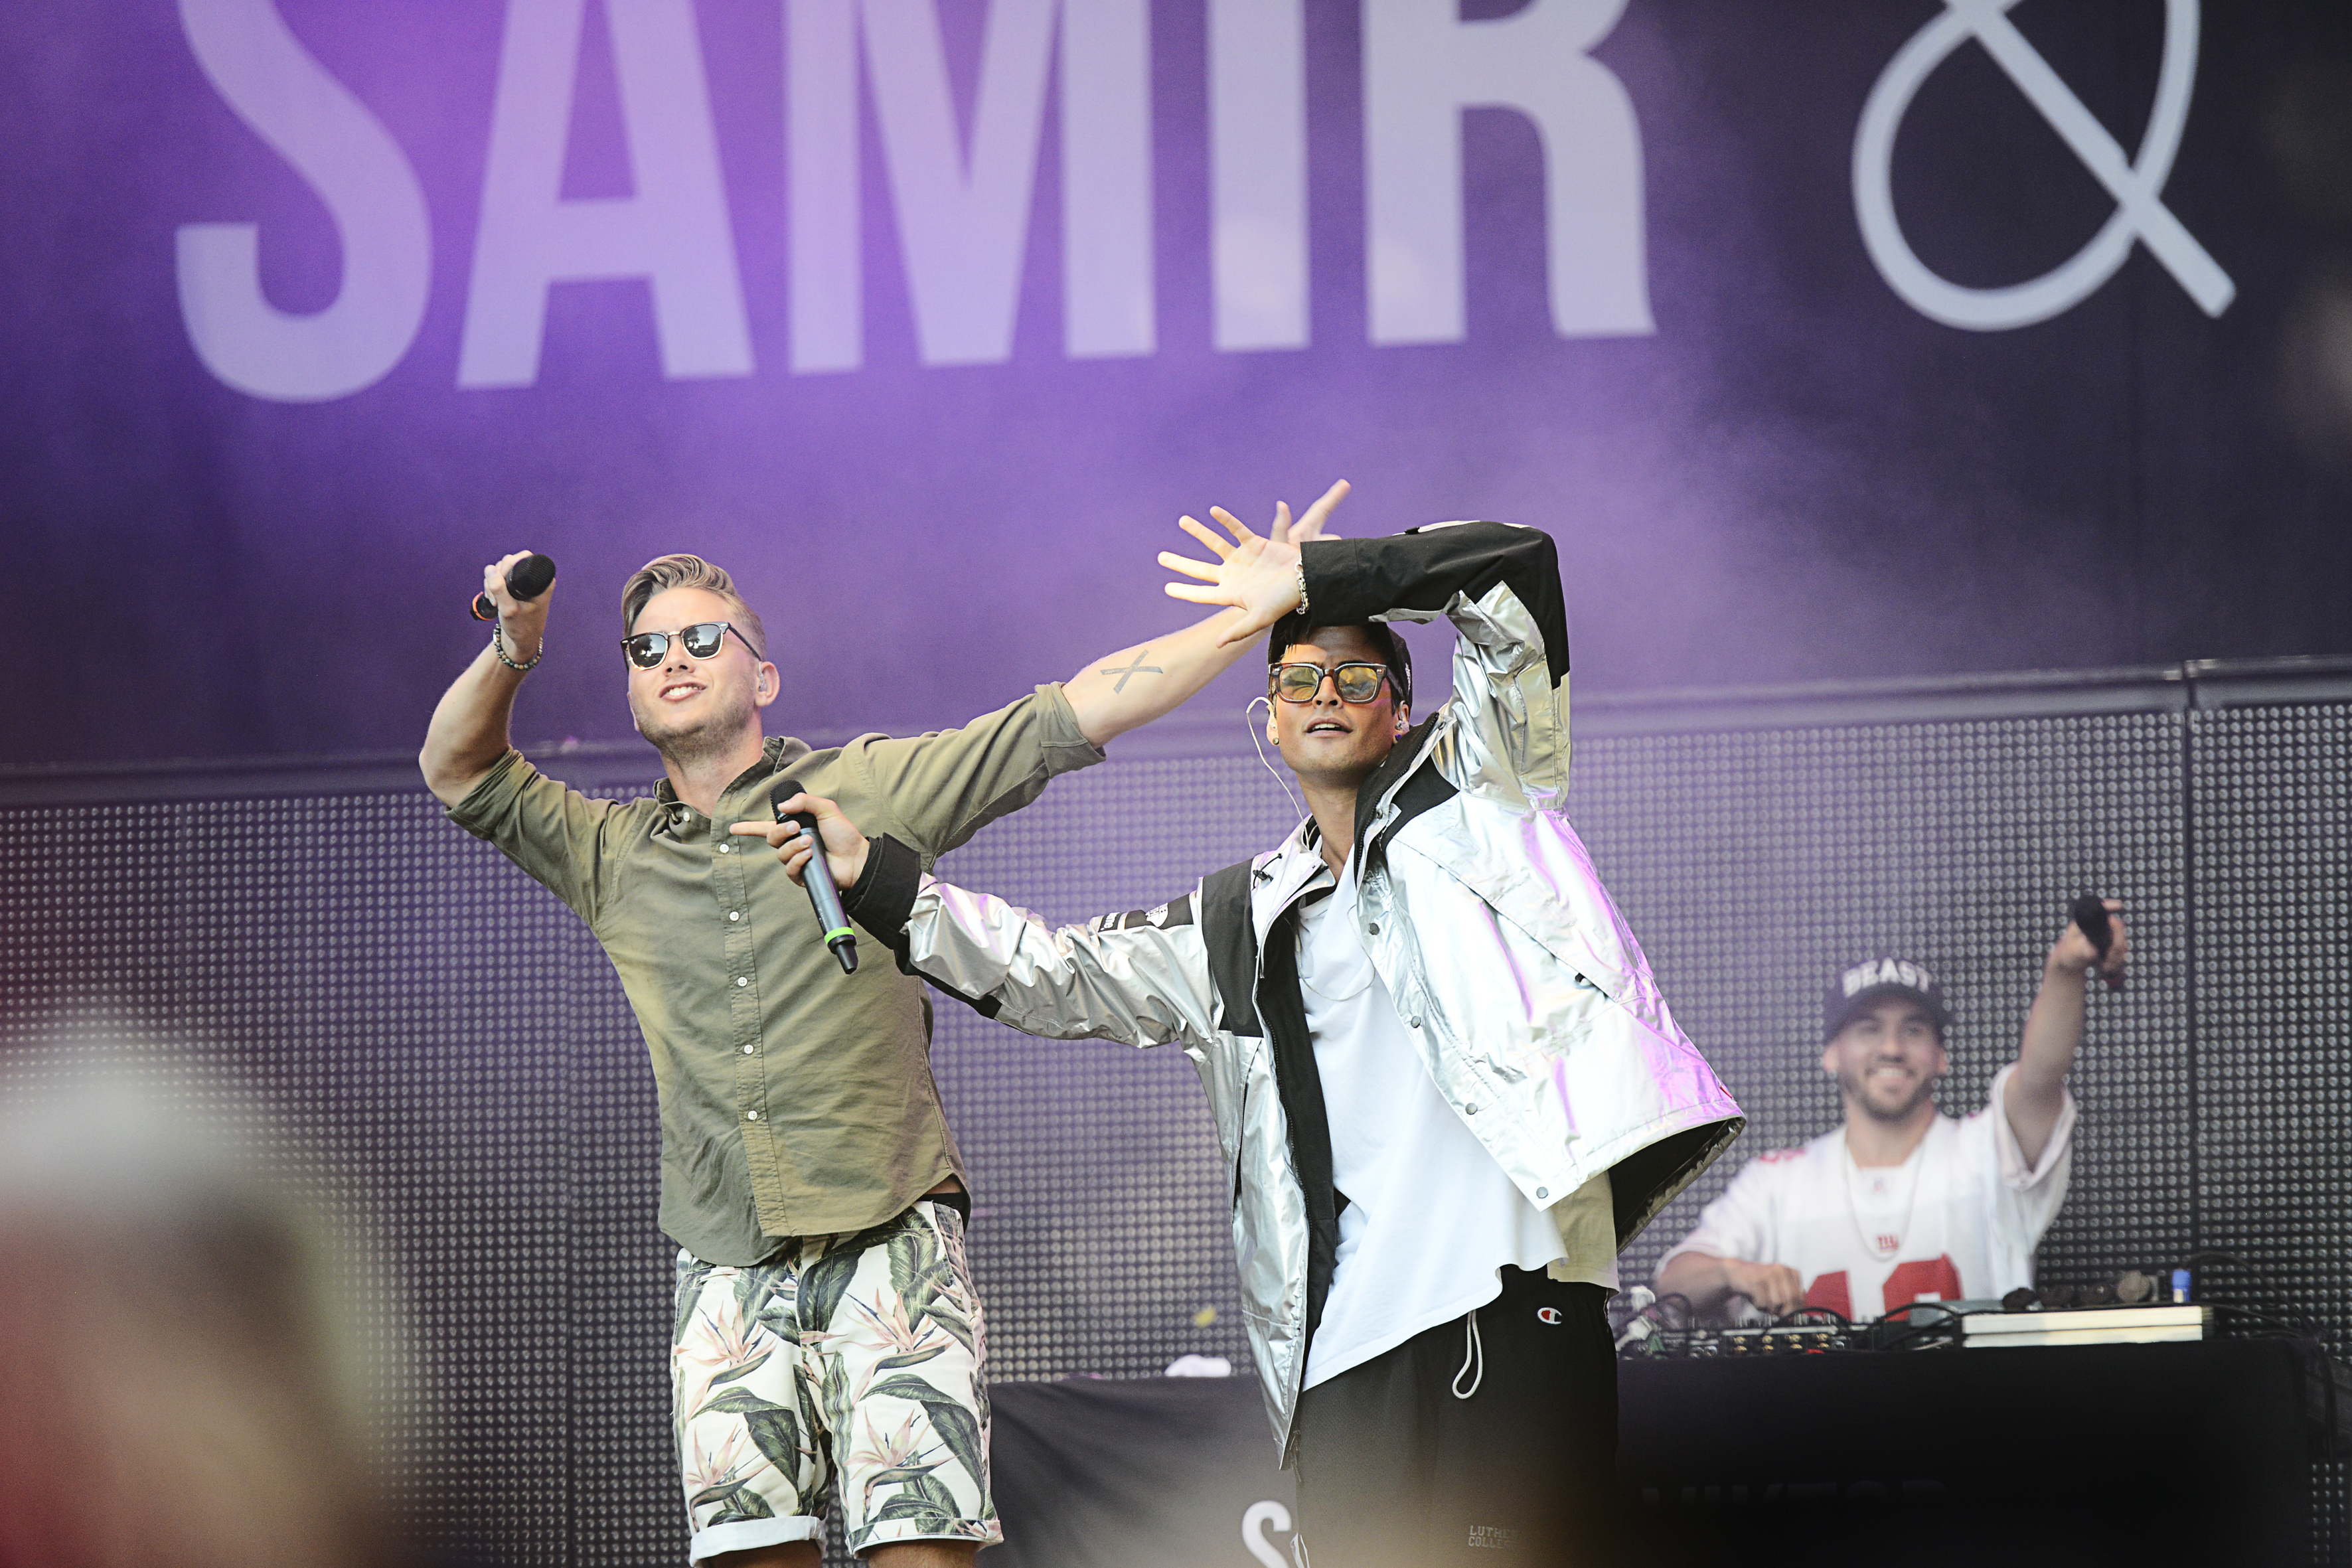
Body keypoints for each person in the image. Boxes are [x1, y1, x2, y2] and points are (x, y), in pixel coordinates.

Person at [771, 512, 1745, 1568]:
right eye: (1297, 680)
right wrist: (876, 875)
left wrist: (1311, 577)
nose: (1324, 695)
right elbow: (1055, 971)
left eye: (1355, 679)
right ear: (1267, 719)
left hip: (1506, 1315)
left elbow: (1518, 567)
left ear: (1404, 709)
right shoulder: (1239, 922)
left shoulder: (1483, 794)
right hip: (1343, 1361)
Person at [416, 483, 1348, 1568]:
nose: (673, 656)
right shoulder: (611, 850)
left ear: (760, 673)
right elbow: (457, 766)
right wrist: (514, 651)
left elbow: (1073, 712)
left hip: (892, 1242)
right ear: (631, 687)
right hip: (725, 1262)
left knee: (922, 1555)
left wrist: (1249, 618)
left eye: (703, 637)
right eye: (646, 646)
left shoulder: (864, 784)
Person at [1654, 927, 2128, 1325]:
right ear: (1830, 1053)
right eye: (1867, 1028)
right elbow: (1673, 1284)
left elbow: (2040, 1077)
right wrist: (1733, 1272)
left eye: (1913, 1029)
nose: (1891, 1048)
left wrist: (2065, 970)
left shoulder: (1984, 1149)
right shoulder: (1776, 1181)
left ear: (1941, 1056)